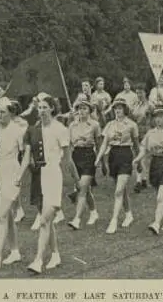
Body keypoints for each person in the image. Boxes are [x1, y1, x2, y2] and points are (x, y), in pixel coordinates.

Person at [22, 96, 77, 274]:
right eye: (39, 107)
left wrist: (75, 182)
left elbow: (68, 159)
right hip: (40, 176)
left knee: (45, 219)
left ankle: (38, 260)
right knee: (47, 220)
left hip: (54, 174)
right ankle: (55, 254)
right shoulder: (37, 130)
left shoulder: (60, 129)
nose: (42, 110)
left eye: (45, 107)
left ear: (52, 109)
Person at [0, 97, 25, 270]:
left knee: (1, 215)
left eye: (3, 112)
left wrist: (21, 175)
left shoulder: (17, 130)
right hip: (0, 173)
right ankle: (15, 251)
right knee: (7, 215)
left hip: (13, 173)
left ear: (11, 113)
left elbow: (26, 155)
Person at [95, 98, 139, 234]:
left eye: (120, 108)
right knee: (121, 188)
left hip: (126, 154)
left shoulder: (131, 125)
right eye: (116, 108)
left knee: (118, 191)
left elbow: (137, 145)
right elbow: (104, 144)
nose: (118, 110)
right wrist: (98, 159)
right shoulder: (109, 125)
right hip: (113, 156)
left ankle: (113, 220)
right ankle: (128, 214)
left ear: (125, 109)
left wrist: (139, 162)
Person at [66, 99, 100, 230]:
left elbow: (98, 143)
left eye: (85, 108)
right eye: (80, 108)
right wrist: (69, 160)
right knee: (83, 189)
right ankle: (93, 211)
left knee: (83, 188)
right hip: (76, 156)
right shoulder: (72, 126)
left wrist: (100, 161)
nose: (82, 111)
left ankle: (77, 219)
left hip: (89, 155)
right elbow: (69, 144)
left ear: (90, 111)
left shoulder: (94, 125)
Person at [131, 83, 153, 192]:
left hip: (146, 133)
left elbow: (154, 120)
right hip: (136, 133)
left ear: (145, 93)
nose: (139, 94)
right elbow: (131, 117)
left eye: (141, 92)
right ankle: (143, 179)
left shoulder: (150, 105)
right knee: (138, 156)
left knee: (142, 157)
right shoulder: (134, 105)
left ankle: (139, 181)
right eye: (137, 93)